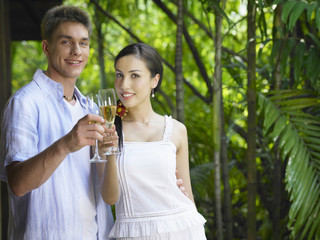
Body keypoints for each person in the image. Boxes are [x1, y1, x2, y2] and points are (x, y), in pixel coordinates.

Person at [0, 5, 115, 239]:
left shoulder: (91, 109)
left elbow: (106, 190)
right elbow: (18, 184)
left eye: (83, 43)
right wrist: (65, 144)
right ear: (46, 47)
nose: (76, 51)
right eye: (66, 42)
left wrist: (107, 154)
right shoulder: (25, 103)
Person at [100, 43, 207, 240]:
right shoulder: (107, 130)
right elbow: (110, 198)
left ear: (154, 80)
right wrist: (109, 152)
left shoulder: (176, 130)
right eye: (119, 75)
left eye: (135, 75)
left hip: (182, 229)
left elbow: (187, 196)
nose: (124, 85)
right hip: (132, 233)